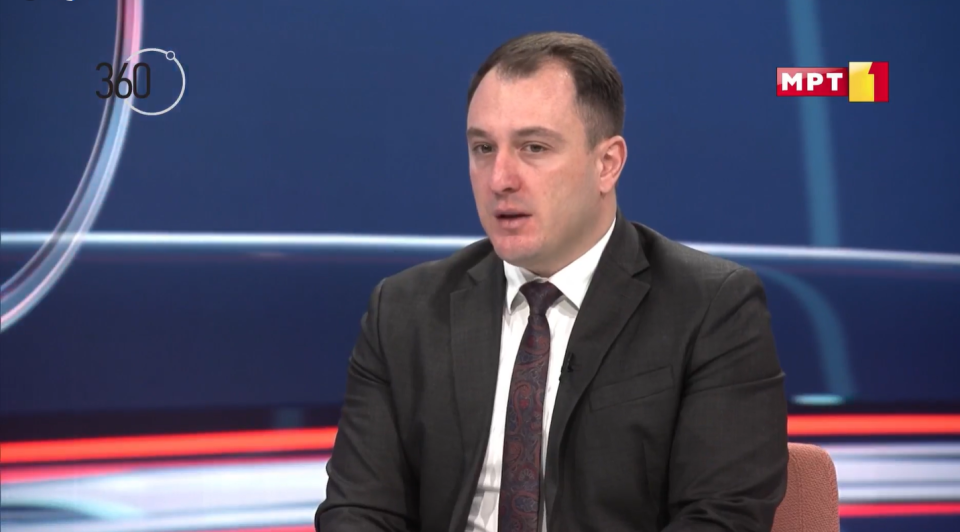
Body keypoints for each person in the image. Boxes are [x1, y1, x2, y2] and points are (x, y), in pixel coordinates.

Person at [315, 31, 788, 532]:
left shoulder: (710, 308)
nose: (500, 178)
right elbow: (358, 510)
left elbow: (721, 517)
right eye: (483, 148)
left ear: (607, 164)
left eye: (534, 147)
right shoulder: (404, 311)